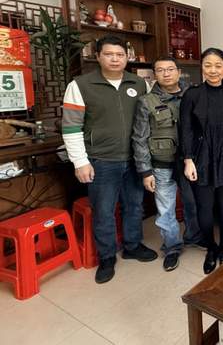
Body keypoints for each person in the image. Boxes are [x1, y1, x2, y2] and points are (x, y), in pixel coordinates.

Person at [62, 35, 157, 284]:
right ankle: (106, 257)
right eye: (109, 54)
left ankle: (132, 246)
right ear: (98, 56)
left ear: (127, 57)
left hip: (135, 159)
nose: (115, 59)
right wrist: (80, 162)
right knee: (104, 211)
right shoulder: (80, 85)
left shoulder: (139, 83)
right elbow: (71, 127)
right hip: (100, 161)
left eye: (120, 54)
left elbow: (149, 121)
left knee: (134, 206)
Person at [132, 56, 202, 272]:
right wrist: (145, 171)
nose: (166, 73)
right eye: (160, 70)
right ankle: (172, 248)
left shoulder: (192, 95)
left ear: (178, 72)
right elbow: (139, 138)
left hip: (189, 163)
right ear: (154, 75)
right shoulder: (146, 101)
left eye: (170, 69)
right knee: (166, 210)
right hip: (161, 164)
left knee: (193, 203)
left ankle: (194, 237)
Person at [180, 48, 223, 274]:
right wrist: (188, 159)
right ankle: (211, 249)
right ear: (202, 68)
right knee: (204, 209)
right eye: (208, 65)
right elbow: (185, 129)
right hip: (201, 157)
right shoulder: (192, 95)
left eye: (218, 65)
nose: (213, 70)